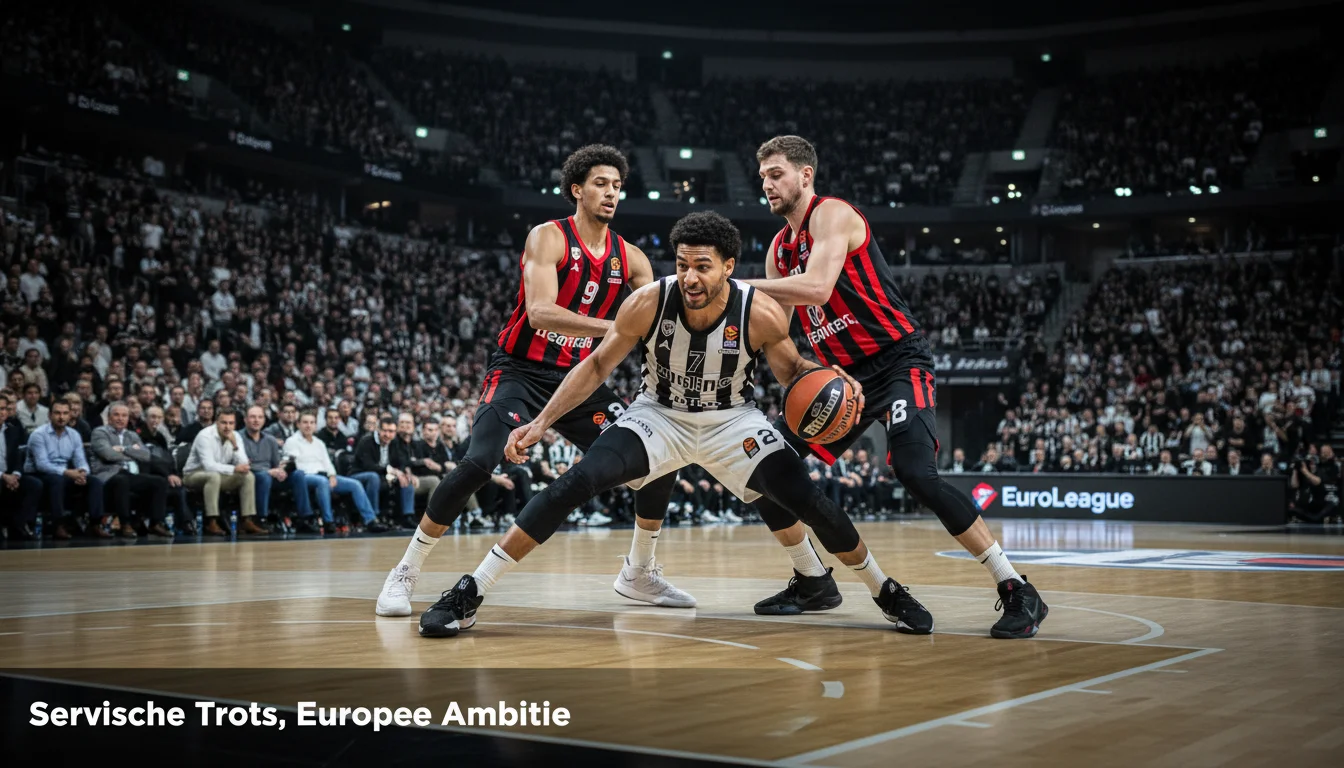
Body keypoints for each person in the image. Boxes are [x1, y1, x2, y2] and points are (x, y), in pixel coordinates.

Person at [417, 211, 931, 638]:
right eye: (683, 264)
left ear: (729, 267)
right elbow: (596, 365)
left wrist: (829, 375)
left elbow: (793, 370)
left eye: (703, 267)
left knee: (810, 500)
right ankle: (472, 589)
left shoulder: (761, 312)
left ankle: (885, 589)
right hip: (658, 415)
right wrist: (541, 423)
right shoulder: (648, 302)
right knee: (576, 482)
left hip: (732, 421)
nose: (690, 277)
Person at [740, 135, 1046, 638]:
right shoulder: (778, 250)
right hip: (841, 381)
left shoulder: (832, 214)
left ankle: (1015, 588)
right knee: (764, 468)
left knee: (914, 471)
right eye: (763, 177)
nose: (767, 184)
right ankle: (816, 580)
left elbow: (817, 287)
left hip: (898, 361)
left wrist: (739, 286)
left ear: (805, 174)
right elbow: (779, 334)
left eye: (776, 173)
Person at [375, 144, 678, 616]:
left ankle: (640, 571)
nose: (611, 193)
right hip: (520, 371)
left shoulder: (632, 259)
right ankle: (406, 570)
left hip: (579, 379)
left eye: (618, 186)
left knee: (656, 459)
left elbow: (663, 313)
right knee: (478, 462)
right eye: (601, 183)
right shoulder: (548, 237)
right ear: (576, 190)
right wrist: (618, 330)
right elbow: (540, 314)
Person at [283, 411, 378, 533]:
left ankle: (370, 520)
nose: (308, 425)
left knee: (355, 484)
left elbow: (328, 463)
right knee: (322, 482)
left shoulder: (319, 443)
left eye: (312, 423)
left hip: (324, 475)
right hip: (305, 476)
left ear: (315, 425)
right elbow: (292, 464)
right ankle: (328, 521)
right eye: (305, 422)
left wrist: (332, 475)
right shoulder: (292, 441)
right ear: (298, 424)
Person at [89, 402, 171, 538]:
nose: (120, 418)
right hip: (107, 475)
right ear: (109, 418)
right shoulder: (99, 432)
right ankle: (125, 523)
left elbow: (145, 455)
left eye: (124, 415)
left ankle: (155, 523)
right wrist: (132, 452)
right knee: (123, 480)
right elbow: (108, 455)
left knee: (159, 482)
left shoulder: (132, 435)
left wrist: (123, 449)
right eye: (116, 415)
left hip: (129, 474)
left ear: (128, 418)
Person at [182, 408, 267, 536]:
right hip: (193, 474)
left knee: (248, 476)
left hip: (220, 474)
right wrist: (233, 469)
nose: (227, 427)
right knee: (213, 476)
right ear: (216, 422)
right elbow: (208, 465)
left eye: (231, 423)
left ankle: (247, 520)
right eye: (224, 423)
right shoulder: (205, 436)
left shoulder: (236, 436)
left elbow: (244, 464)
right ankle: (211, 522)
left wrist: (235, 445)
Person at [0, 392, 42, 540]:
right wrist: (4, 476)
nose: (2, 412)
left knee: (34, 484)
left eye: (4, 409)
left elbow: (19, 457)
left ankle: (21, 525)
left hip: (11, 475)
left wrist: (16, 474)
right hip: (2, 476)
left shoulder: (13, 430)